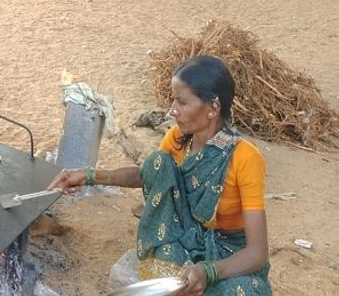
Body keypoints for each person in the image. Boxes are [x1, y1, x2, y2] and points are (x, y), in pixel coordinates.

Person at [49, 55, 272, 296]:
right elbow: (146, 175)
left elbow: (257, 253)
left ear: (213, 108)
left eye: (182, 102)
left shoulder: (245, 157)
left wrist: (210, 271)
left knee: (241, 291)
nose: (172, 110)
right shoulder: (177, 139)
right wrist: (88, 176)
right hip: (181, 238)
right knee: (158, 163)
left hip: (228, 250)